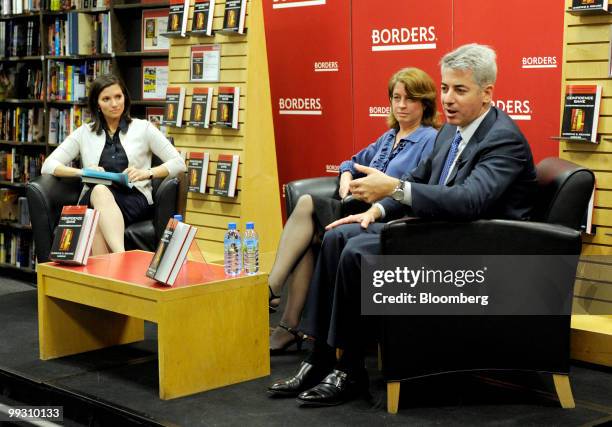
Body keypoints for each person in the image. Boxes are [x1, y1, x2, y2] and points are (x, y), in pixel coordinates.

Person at [268, 43, 537, 406]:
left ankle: (349, 371)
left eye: (460, 90)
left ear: (487, 93)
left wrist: (393, 188)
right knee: (338, 235)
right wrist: (375, 212)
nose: (448, 99)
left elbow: (470, 199)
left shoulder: (503, 139)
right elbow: (418, 180)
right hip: (442, 234)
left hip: (477, 253)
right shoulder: (450, 132)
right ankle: (319, 358)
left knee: (355, 250)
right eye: (444, 88)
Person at [267, 67, 440, 353]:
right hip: (358, 206)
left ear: (425, 103)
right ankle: (288, 325)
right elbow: (352, 162)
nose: (401, 105)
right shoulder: (389, 136)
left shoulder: (429, 139)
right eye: (396, 98)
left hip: (390, 214)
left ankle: (274, 294)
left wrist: (378, 187)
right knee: (308, 236)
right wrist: (347, 176)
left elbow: (414, 186)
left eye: (409, 99)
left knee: (308, 206)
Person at [41, 74, 186, 255]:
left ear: (125, 97)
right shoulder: (84, 133)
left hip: (133, 197)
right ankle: (118, 259)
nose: (115, 103)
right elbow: (48, 165)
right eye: (106, 99)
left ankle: (115, 263)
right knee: (99, 197)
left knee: (93, 218)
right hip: (94, 197)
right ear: (97, 104)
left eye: (118, 97)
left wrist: (147, 173)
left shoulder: (144, 128)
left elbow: (179, 163)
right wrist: (83, 172)